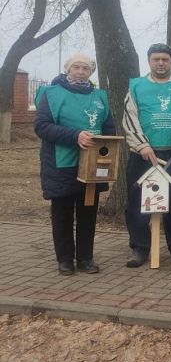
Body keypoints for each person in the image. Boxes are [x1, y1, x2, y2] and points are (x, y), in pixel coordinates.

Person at [34, 53, 115, 275]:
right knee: (62, 213)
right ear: (68, 69)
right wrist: (75, 135)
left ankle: (86, 258)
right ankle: (65, 259)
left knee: (88, 212)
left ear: (91, 72)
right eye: (76, 67)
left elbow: (109, 128)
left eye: (85, 68)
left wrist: (105, 152)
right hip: (61, 164)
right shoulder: (51, 94)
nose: (80, 71)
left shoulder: (100, 97)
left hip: (91, 165)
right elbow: (42, 126)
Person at [123, 43, 171, 268]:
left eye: (164, 59)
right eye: (156, 59)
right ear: (149, 61)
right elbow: (129, 117)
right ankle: (140, 247)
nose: (160, 63)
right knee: (137, 200)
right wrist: (142, 145)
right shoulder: (137, 86)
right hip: (143, 153)